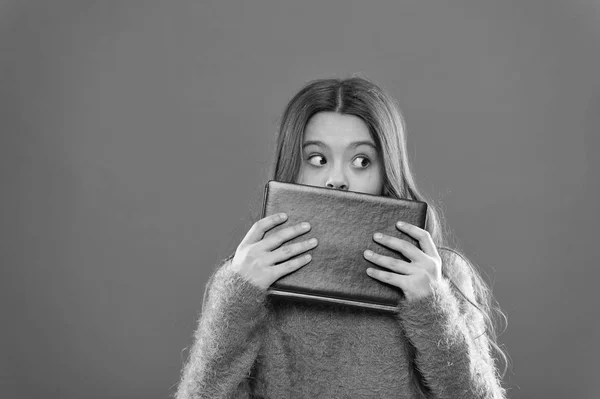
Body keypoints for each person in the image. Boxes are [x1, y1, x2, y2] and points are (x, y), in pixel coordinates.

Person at [174, 76, 508, 398]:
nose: (337, 179)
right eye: (317, 159)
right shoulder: (246, 279)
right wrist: (238, 297)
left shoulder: (438, 276)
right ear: (292, 167)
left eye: (361, 161)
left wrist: (432, 308)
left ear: (386, 171)